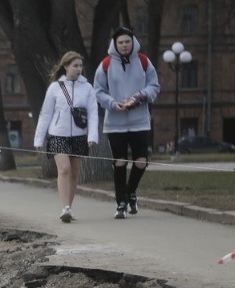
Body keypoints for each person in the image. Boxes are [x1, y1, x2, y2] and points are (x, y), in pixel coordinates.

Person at [93, 26, 160, 219]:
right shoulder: (105, 64)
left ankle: (131, 192)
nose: (124, 46)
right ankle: (120, 203)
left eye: (127, 42)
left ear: (133, 43)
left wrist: (141, 96)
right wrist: (113, 104)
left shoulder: (143, 61)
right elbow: (98, 91)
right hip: (115, 122)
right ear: (115, 44)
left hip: (139, 120)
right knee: (119, 162)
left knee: (141, 161)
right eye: (120, 42)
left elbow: (154, 85)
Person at [33, 51, 99, 223]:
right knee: (64, 169)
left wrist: (92, 136)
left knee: (74, 173)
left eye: (80, 66)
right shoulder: (55, 87)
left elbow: (93, 114)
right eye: (75, 66)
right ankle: (65, 208)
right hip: (57, 135)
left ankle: (69, 207)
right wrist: (39, 139)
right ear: (66, 67)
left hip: (79, 136)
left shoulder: (87, 88)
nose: (79, 69)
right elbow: (45, 114)